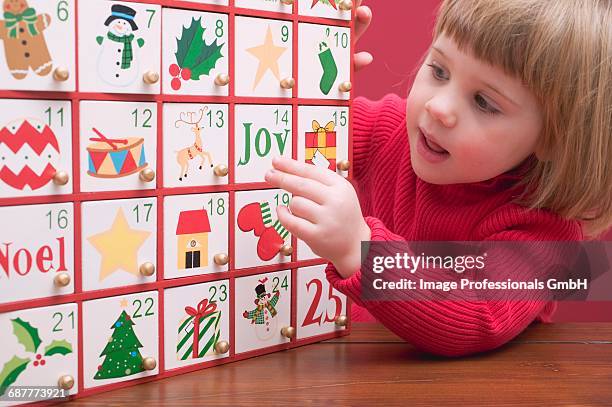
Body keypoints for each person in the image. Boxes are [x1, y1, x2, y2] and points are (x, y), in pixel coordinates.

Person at [264, 0, 612, 356]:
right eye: (440, 71)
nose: (439, 107)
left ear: (554, 138)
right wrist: (311, 92)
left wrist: (360, 249)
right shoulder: (391, 129)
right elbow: (288, 141)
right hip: (349, 371)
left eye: (483, 102)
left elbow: (476, 314)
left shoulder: (543, 233)